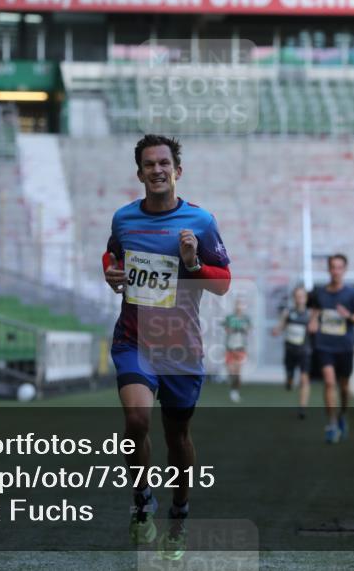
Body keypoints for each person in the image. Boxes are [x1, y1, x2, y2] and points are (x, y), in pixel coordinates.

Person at [102, 134, 231, 560]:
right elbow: (111, 255)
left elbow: (223, 284)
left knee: (177, 437)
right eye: (148, 165)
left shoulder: (201, 221)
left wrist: (193, 263)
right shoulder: (124, 219)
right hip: (133, 339)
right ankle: (143, 504)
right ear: (139, 173)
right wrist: (112, 272)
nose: (156, 170)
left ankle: (179, 512)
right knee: (136, 419)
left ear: (177, 170)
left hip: (181, 348)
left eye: (164, 163)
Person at [307, 254, 354, 443]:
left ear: (344, 270)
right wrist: (313, 322)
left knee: (344, 387)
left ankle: (342, 415)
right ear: (329, 269)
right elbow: (315, 312)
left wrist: (348, 316)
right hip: (324, 345)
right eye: (333, 267)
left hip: (345, 346)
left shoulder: (352, 294)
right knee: (329, 382)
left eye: (339, 267)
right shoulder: (319, 293)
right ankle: (331, 424)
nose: (336, 271)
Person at [272, 285, 311, 419]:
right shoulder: (288, 312)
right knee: (290, 375)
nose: (300, 299)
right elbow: (281, 326)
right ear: (294, 298)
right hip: (290, 350)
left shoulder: (309, 314)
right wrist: (277, 330)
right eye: (297, 296)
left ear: (306, 298)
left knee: (304, 378)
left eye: (302, 296)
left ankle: (302, 407)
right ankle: (289, 380)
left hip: (305, 350)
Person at [221, 299, 251, 403]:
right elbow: (226, 329)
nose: (239, 307)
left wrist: (243, 328)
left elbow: (248, 330)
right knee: (231, 372)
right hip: (230, 348)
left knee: (237, 373)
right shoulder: (230, 317)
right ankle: (233, 388)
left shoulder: (246, 318)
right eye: (238, 304)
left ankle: (235, 392)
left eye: (241, 304)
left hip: (240, 349)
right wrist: (236, 328)